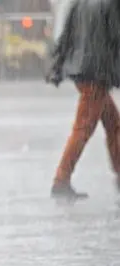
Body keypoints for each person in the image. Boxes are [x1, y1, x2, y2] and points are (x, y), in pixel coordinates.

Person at [46, 0, 120, 201]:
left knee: (113, 123)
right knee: (83, 128)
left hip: (82, 70)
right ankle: (61, 179)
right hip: (97, 74)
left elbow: (66, 36)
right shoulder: (111, 5)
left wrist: (56, 65)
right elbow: (115, 39)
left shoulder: (80, 3)